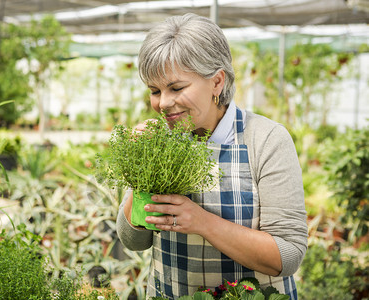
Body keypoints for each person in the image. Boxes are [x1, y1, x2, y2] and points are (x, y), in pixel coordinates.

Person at [116, 13, 308, 300]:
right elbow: (134, 240)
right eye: (155, 91)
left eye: (177, 87)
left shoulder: (266, 140)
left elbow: (288, 255)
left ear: (217, 81)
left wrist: (201, 221)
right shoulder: (160, 141)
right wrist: (139, 173)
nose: (163, 103)